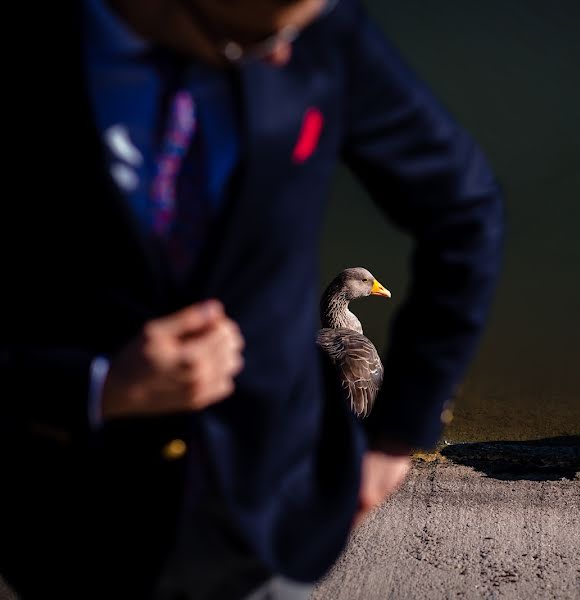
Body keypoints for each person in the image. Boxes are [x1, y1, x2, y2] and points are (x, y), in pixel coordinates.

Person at [0, 0, 504, 598]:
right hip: (71, 523)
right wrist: (96, 385)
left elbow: (463, 208)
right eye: (259, 43)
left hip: (270, 517)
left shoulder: (312, 22)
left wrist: (399, 435)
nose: (288, 56)